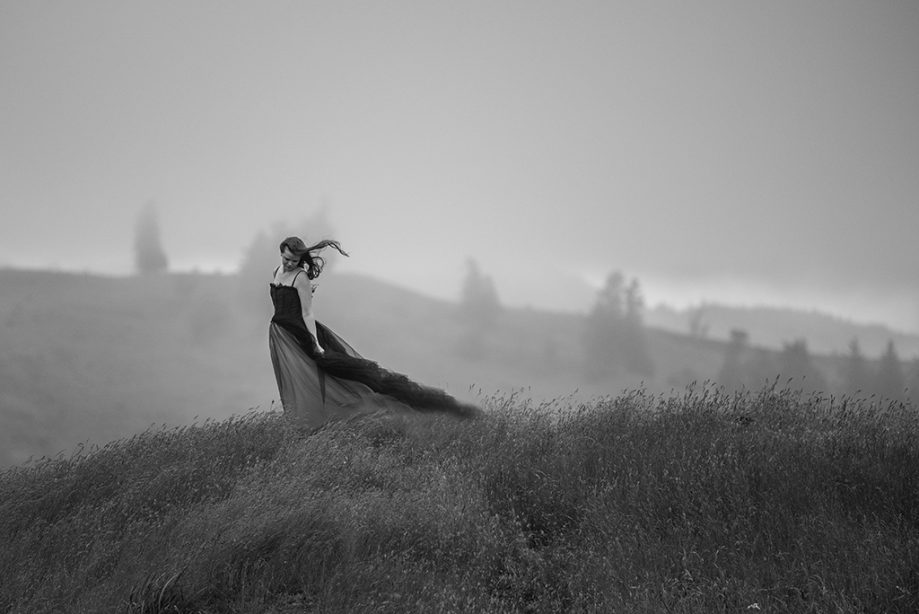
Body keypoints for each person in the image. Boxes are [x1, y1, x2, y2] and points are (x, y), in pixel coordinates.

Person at [268, 236, 480, 429]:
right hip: (281, 334)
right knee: (294, 376)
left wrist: (315, 342)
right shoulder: (277, 272)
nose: (289, 263)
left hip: (300, 334)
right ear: (281, 253)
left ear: (300, 260)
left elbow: (307, 313)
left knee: (333, 372)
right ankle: (302, 423)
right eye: (286, 259)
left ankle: (432, 408)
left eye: (294, 260)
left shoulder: (301, 278)